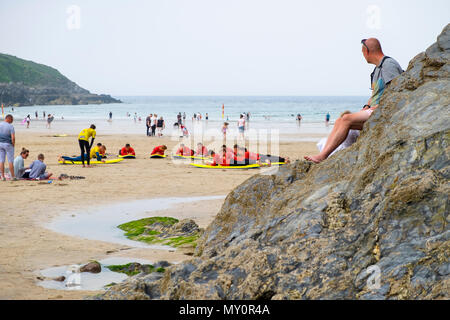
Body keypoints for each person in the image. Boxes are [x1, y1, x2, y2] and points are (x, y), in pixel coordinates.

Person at [305, 38, 403, 164]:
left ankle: (323, 156)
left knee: (346, 119)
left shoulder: (388, 64)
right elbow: (375, 94)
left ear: (367, 51)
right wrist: (367, 106)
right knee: (340, 120)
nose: (363, 56)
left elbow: (397, 89)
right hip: (373, 110)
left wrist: (379, 107)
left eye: (362, 52)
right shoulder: (376, 70)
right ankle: (323, 154)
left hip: (383, 111)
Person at [0, 115, 16, 181]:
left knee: (1, 160)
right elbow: (13, 137)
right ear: (9, 119)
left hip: (0, 143)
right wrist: (13, 144)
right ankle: (13, 176)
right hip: (8, 144)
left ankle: (2, 176)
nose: (12, 122)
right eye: (12, 120)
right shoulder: (10, 126)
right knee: (10, 160)